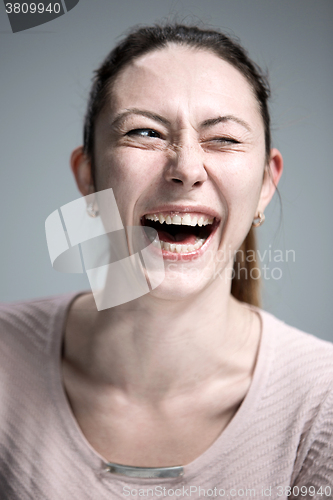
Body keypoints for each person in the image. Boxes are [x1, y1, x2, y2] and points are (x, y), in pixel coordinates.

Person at [1, 23, 332, 500]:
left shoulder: (323, 405)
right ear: (88, 177)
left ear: (265, 183)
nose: (186, 169)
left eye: (224, 139)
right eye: (145, 133)